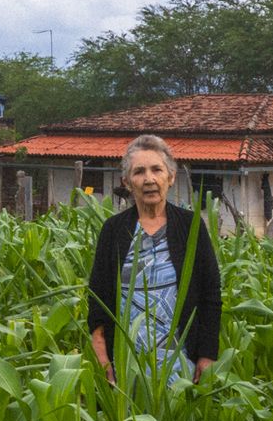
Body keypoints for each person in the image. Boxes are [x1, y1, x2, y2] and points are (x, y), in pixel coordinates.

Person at [87, 134, 221, 384]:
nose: (149, 179)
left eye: (156, 169)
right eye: (139, 172)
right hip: (126, 367)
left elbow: (210, 294)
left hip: (181, 364)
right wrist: (102, 357)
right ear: (127, 182)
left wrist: (207, 354)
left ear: (170, 177)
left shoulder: (190, 226)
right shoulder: (113, 230)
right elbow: (98, 297)